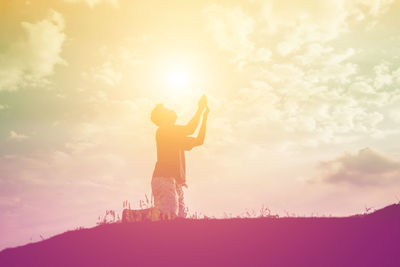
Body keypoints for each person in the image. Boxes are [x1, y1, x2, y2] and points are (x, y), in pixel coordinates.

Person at [150, 95, 209, 219]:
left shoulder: (174, 135)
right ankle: (133, 216)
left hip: (174, 182)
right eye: (167, 110)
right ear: (163, 117)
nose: (171, 110)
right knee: (168, 215)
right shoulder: (164, 130)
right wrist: (199, 109)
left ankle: (139, 217)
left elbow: (199, 140)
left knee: (180, 220)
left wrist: (204, 116)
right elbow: (190, 129)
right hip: (164, 179)